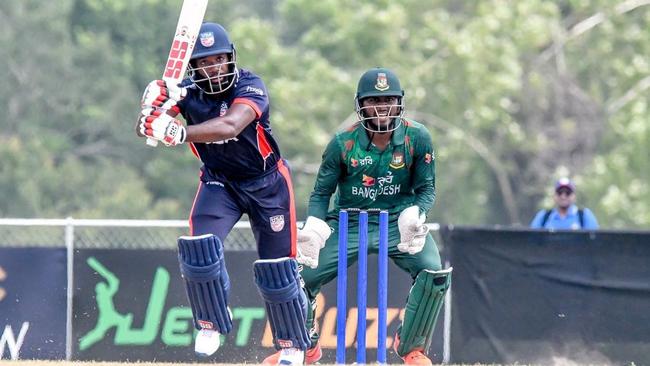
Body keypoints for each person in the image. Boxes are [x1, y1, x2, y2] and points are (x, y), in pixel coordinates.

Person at [136, 22, 310, 365]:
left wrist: (180, 132)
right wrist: (151, 110)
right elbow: (153, 126)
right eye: (205, 62)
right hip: (220, 182)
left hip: (267, 184)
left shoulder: (251, 85)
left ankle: (291, 345)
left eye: (219, 59)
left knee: (278, 269)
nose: (214, 68)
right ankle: (210, 323)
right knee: (199, 249)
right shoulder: (187, 93)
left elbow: (230, 125)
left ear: (231, 58)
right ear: (194, 67)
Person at [263, 67, 452, 366]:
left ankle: (412, 348)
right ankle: (303, 345)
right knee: (301, 275)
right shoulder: (343, 143)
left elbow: (427, 188)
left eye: (388, 100)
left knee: (433, 273)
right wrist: (314, 225)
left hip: (398, 222)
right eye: (374, 101)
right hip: (349, 221)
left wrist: (417, 214)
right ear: (361, 104)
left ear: (399, 102)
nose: (382, 108)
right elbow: (321, 193)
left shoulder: (417, 137)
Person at [530, 177, 599, 229]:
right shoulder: (543, 217)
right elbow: (531, 241)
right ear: (554, 196)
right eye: (560, 193)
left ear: (574, 196)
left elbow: (595, 242)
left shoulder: (584, 216)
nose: (563, 196)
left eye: (568, 193)